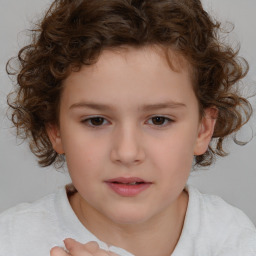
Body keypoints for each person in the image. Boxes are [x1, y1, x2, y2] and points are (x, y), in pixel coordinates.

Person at [1, 0, 255, 255]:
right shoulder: (12, 241)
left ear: (202, 130)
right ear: (55, 130)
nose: (126, 152)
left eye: (159, 120)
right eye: (96, 121)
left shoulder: (234, 240)